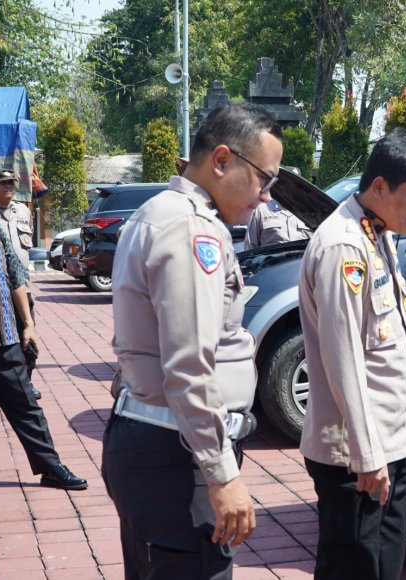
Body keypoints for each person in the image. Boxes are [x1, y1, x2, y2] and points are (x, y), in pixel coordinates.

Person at [101, 102, 282, 579]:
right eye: (264, 178)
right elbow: (188, 366)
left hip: (159, 443)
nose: (266, 196)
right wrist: (221, 472)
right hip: (178, 454)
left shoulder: (160, 212)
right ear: (222, 160)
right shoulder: (191, 227)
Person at [299, 129, 406, 580]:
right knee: (354, 568)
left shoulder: (377, 234)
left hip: (386, 444)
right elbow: (344, 360)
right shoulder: (344, 246)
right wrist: (367, 456)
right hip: (356, 457)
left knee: (384, 567)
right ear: (379, 187)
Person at [0, 173, 87, 498]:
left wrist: (28, 325)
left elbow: (16, 279)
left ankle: (51, 468)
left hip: (5, 338)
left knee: (25, 405)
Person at [0, 168, 42, 402]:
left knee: (27, 333)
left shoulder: (23, 211)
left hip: (23, 288)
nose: (9, 186)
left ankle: (25, 382)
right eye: (4, 183)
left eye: (12, 182)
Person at [242, 197, 311, 250]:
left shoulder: (309, 211)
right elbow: (250, 247)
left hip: (302, 261)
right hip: (272, 262)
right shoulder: (261, 210)